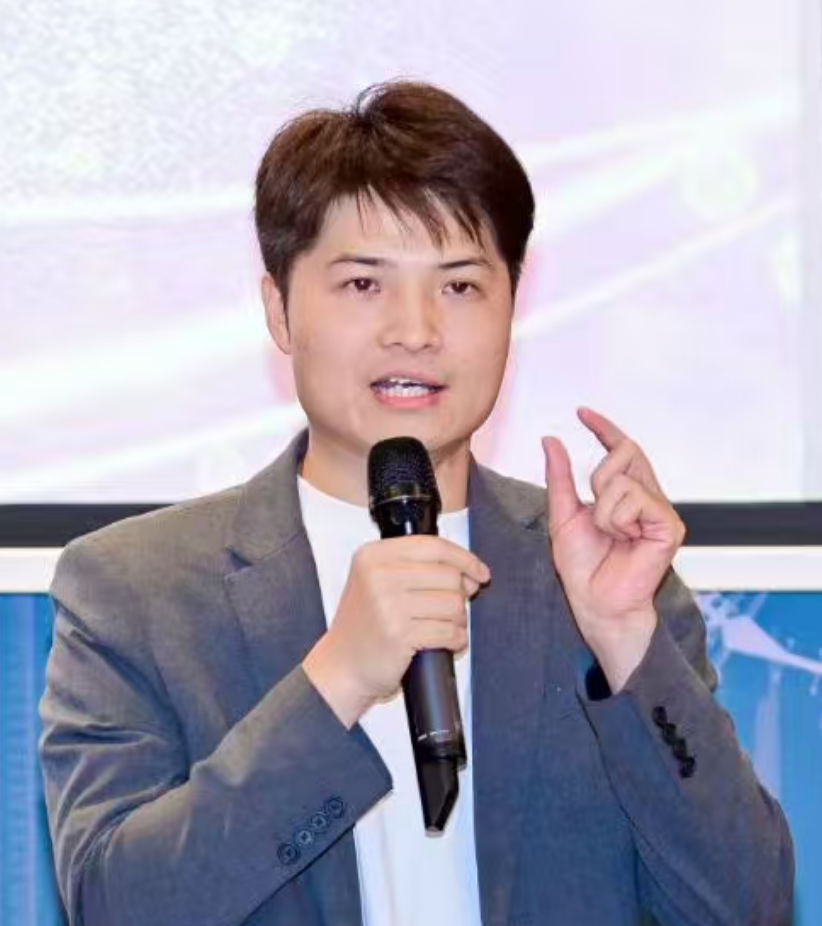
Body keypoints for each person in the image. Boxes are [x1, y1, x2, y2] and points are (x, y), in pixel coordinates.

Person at [39, 81, 793, 926]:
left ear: (513, 307)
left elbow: (746, 906)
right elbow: (117, 906)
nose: (416, 329)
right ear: (279, 310)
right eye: (364, 284)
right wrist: (337, 678)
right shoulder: (136, 591)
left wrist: (623, 640)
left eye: (460, 287)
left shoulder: (597, 580)